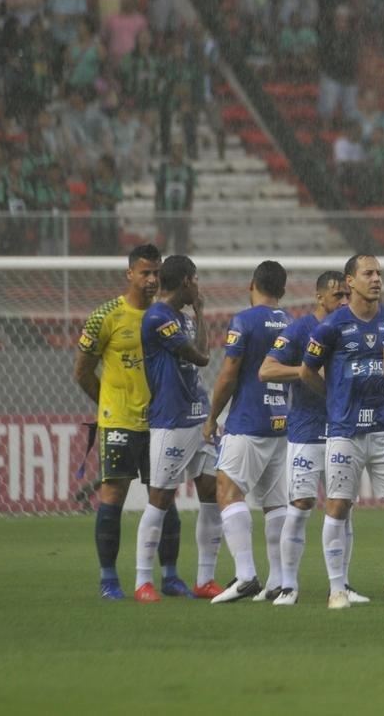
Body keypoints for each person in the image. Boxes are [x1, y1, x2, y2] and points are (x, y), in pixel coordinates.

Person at [302, 254, 384, 609]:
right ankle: (337, 589)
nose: (376, 279)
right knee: (338, 506)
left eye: (379, 272)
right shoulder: (331, 326)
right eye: (368, 273)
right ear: (351, 281)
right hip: (345, 431)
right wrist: (333, 400)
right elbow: (307, 371)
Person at [73, 244, 165, 600]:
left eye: (156, 272)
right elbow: (81, 371)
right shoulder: (105, 316)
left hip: (159, 421)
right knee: (114, 494)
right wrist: (109, 404)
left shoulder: (164, 316)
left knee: (163, 495)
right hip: (120, 421)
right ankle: (108, 579)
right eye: (145, 273)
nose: (152, 279)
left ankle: (169, 576)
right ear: (130, 273)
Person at [260, 273, 357, 605]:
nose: (344, 301)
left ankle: (342, 585)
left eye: (347, 295)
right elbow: (267, 370)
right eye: (338, 295)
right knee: (300, 507)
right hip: (305, 430)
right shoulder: (300, 330)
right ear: (319, 297)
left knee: (342, 508)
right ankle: (289, 585)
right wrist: (306, 371)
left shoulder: (350, 327)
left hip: (343, 431)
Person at [134, 255, 223, 602]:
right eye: (196, 280)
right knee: (159, 499)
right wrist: (200, 314)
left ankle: (205, 579)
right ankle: (143, 581)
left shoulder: (183, 318)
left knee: (211, 494)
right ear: (186, 281)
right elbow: (200, 356)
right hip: (170, 419)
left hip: (198, 416)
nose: (198, 286)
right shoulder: (158, 317)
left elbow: (204, 352)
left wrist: (198, 314)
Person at [204, 262, 292, 603]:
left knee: (227, 489)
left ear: (251, 284)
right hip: (280, 421)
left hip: (248, 420)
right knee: (274, 502)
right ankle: (278, 580)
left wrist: (213, 416)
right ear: (283, 291)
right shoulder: (289, 323)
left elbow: (228, 373)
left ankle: (245, 575)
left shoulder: (244, 320)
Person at [155, 140, 197, 255]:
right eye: (175, 147)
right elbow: (158, 191)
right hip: (166, 213)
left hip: (181, 214)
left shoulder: (188, 169)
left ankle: (180, 270)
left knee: (181, 246)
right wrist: (157, 212)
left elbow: (191, 191)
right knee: (162, 245)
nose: (178, 151)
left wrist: (188, 211)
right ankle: (161, 270)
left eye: (180, 148)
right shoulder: (163, 169)